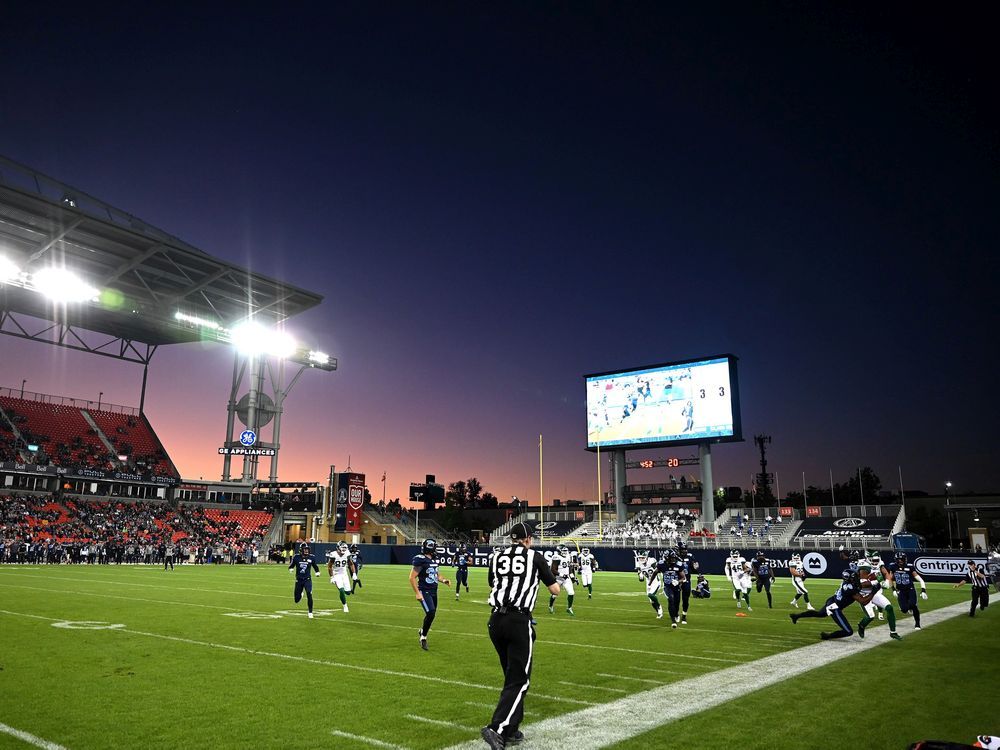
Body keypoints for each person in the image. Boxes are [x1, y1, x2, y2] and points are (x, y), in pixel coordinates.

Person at [480, 522, 559, 750]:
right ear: (529, 539)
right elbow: (554, 589)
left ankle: (512, 728)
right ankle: (497, 728)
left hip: (495, 620)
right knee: (519, 679)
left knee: (511, 674)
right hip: (518, 620)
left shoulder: (496, 557)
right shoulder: (534, 556)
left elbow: (493, 584)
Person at [790, 568, 874, 640]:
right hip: (834, 606)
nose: (857, 578)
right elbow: (863, 601)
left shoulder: (849, 584)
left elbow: (860, 585)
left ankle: (796, 616)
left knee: (819, 614)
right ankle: (827, 636)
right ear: (849, 579)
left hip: (832, 601)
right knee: (848, 631)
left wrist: (874, 582)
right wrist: (873, 592)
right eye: (854, 577)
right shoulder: (849, 588)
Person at [410, 538, 450, 650]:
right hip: (424, 590)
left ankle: (422, 630)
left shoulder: (434, 559)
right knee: (431, 612)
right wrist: (417, 593)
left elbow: (437, 575)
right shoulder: (420, 560)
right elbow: (412, 577)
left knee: (431, 615)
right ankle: (423, 637)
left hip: (434, 591)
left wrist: (444, 580)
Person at [855, 559, 902, 640]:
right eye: (863, 569)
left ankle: (893, 632)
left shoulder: (874, 574)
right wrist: (877, 582)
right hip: (863, 596)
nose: (865, 571)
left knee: (889, 608)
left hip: (873, 594)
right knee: (871, 616)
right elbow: (863, 585)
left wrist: (885, 584)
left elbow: (883, 584)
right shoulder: (855, 577)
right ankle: (861, 626)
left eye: (866, 569)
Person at [886, 551, 928, 630]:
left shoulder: (909, 567)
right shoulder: (893, 566)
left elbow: (920, 579)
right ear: (896, 560)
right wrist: (893, 589)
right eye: (899, 559)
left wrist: (923, 590)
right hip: (901, 591)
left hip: (910, 589)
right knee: (904, 610)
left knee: (913, 605)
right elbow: (890, 579)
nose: (901, 561)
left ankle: (917, 624)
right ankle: (908, 608)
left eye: (902, 559)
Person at [288, 543, 320, 619]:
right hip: (298, 580)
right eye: (305, 549)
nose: (306, 551)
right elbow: (291, 566)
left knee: (309, 594)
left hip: (307, 579)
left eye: (307, 549)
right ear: (301, 550)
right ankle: (301, 593)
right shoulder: (296, 557)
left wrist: (317, 572)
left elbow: (315, 566)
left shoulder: (311, 557)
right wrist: (291, 569)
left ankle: (310, 612)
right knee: (296, 600)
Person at [658, 549, 687, 628]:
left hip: (676, 587)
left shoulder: (678, 564)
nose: (673, 559)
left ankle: (676, 614)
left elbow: (684, 578)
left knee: (676, 603)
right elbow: (655, 572)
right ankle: (673, 620)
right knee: (671, 599)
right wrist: (650, 582)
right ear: (667, 558)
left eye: (674, 558)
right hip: (667, 586)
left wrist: (678, 581)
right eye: (671, 558)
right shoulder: (662, 564)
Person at [326, 541, 355, 613]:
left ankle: (344, 594)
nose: (344, 549)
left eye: (345, 548)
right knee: (341, 590)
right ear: (338, 548)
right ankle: (345, 605)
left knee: (348, 592)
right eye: (342, 547)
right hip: (336, 574)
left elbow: (351, 564)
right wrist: (332, 577)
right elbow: (329, 567)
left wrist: (354, 574)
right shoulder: (333, 554)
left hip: (344, 574)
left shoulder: (347, 553)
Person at [548, 545, 576, 616]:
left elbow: (570, 568)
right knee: (554, 594)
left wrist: (573, 577)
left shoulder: (569, 556)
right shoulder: (556, 557)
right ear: (559, 551)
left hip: (566, 578)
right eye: (563, 551)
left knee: (571, 593)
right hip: (558, 578)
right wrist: (562, 575)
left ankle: (569, 608)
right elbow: (553, 570)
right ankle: (550, 606)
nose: (565, 552)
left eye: (566, 551)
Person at [675, 540, 699, 623]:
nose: (684, 551)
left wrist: (695, 567)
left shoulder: (690, 557)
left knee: (685, 599)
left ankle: (684, 615)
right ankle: (676, 614)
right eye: (682, 549)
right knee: (676, 599)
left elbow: (695, 568)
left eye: (685, 549)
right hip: (676, 581)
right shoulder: (673, 557)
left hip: (686, 580)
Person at [636, 550, 664, 619]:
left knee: (650, 594)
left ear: (646, 557)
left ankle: (659, 606)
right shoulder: (639, 564)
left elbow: (658, 570)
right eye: (640, 558)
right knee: (651, 601)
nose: (641, 559)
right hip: (648, 583)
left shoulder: (651, 561)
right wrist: (640, 576)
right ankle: (658, 612)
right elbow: (641, 579)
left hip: (655, 581)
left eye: (642, 557)